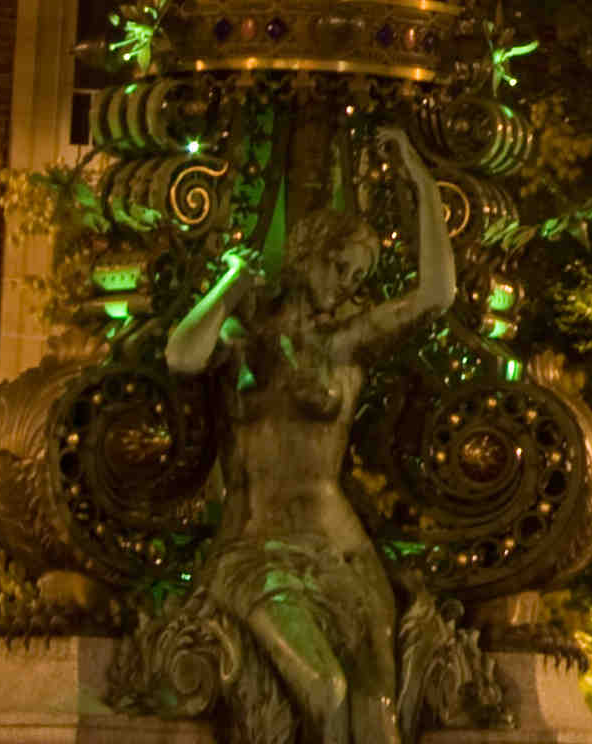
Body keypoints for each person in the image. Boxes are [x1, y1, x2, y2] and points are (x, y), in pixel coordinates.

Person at [165, 125, 458, 744]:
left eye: (358, 275)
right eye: (341, 267)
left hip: (342, 548)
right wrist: (227, 285)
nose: (349, 284)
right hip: (257, 549)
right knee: (325, 691)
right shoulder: (247, 332)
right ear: (307, 255)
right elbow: (182, 357)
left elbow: (437, 292)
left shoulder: (348, 341)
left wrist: (421, 183)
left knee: (379, 710)